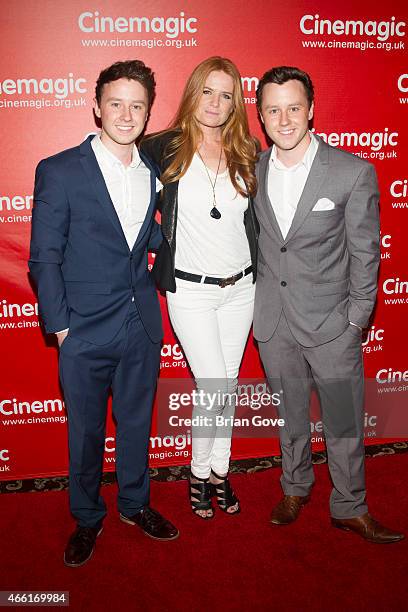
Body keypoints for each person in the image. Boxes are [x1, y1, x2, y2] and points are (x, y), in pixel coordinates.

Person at [29, 60, 179, 568]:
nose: (126, 113)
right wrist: (63, 328)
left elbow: (150, 239)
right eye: (115, 103)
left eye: (137, 105)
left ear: (147, 113)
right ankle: (87, 516)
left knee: (136, 424)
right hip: (84, 330)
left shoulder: (156, 173)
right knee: (86, 430)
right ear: (96, 106)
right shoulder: (60, 169)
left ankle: (135, 505)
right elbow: (43, 257)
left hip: (140, 323)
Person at [254, 65, 403, 543]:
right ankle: (295, 487)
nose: (284, 119)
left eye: (293, 107)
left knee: (342, 423)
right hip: (274, 323)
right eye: (273, 110)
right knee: (290, 418)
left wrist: (357, 318)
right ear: (260, 115)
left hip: (334, 326)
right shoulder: (251, 170)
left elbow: (366, 251)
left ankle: (349, 506)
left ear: (311, 110)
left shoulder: (351, 172)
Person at [141, 57, 258, 519]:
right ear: (193, 92)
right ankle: (199, 471)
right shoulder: (162, 148)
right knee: (214, 384)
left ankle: (218, 472)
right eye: (207, 91)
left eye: (226, 94)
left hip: (243, 288)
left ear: (236, 104)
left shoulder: (247, 150)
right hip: (190, 291)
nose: (215, 102)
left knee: (224, 385)